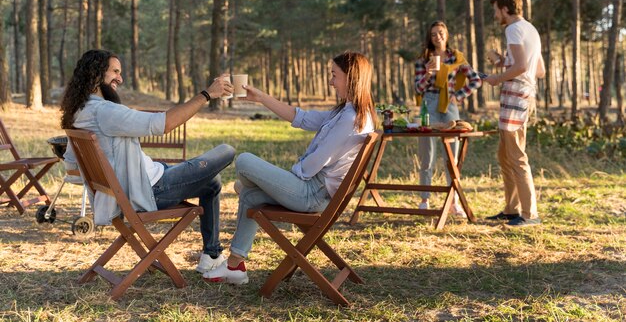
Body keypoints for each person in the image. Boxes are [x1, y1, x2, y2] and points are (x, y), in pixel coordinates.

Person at [204, 51, 376, 284]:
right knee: (250, 196)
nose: (330, 81)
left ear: (351, 77)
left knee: (243, 160)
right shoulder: (346, 113)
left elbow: (316, 163)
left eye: (334, 75)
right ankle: (235, 265)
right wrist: (261, 97)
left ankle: (246, 193)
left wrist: (286, 179)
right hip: (316, 191)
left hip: (311, 194)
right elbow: (302, 118)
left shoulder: (350, 119)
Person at [60, 49, 236, 273]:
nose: (120, 79)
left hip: (129, 188)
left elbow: (70, 165)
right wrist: (207, 95)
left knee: (212, 182)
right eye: (114, 71)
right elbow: (163, 124)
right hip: (147, 191)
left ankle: (211, 255)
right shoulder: (106, 112)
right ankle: (211, 255)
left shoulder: (79, 111)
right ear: (96, 73)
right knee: (226, 151)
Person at [483, 0, 545, 227]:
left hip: (515, 98)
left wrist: (496, 77)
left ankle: (530, 214)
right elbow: (538, 70)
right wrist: (501, 61)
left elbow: (520, 66)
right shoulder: (531, 29)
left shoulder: (513, 29)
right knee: (505, 155)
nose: (494, 14)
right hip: (522, 96)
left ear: (505, 9)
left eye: (496, 9)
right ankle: (511, 209)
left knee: (516, 156)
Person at [414, 21, 482, 216]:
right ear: (430, 37)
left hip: (449, 105)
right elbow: (417, 89)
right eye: (434, 34)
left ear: (447, 34)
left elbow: (476, 80)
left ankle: (453, 202)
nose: (438, 37)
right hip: (429, 104)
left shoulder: (456, 58)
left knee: (451, 154)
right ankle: (424, 199)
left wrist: (458, 96)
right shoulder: (423, 59)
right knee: (427, 152)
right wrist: (427, 74)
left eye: (441, 33)